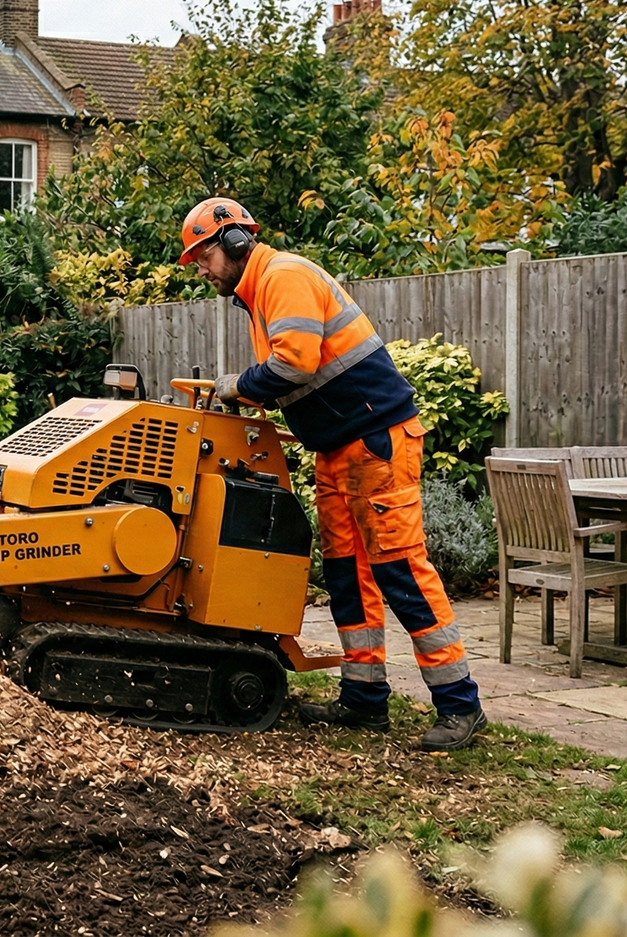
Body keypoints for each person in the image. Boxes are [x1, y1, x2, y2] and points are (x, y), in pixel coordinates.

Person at [179, 197, 487, 751]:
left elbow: (293, 363)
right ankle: (364, 698)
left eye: (202, 257)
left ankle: (460, 704)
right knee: (346, 574)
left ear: (234, 242)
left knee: (401, 571)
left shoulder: (284, 276)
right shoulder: (259, 293)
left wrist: (237, 385)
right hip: (337, 447)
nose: (200, 270)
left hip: (377, 443)